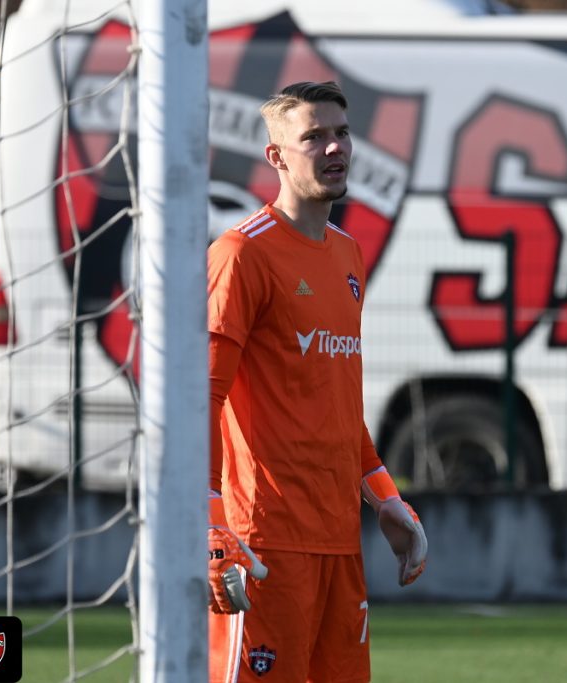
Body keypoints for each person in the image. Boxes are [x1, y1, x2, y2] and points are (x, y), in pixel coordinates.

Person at [205, 80, 428, 683]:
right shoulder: (241, 255)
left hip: (340, 542)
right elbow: (203, 399)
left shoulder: (348, 255)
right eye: (314, 137)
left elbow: (337, 407)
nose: (335, 148)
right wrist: (210, 521)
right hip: (264, 546)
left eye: (342, 133)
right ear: (276, 156)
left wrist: (386, 499)